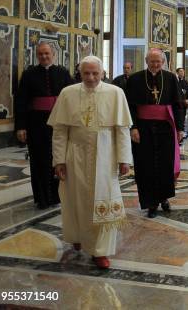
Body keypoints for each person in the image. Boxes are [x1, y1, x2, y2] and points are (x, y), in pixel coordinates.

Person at [48, 56, 132, 269]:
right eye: (87, 73)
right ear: (80, 73)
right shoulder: (68, 93)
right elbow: (59, 131)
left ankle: (100, 251)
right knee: (74, 198)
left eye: (95, 73)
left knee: (103, 200)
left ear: (102, 73)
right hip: (75, 154)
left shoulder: (116, 93)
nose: (91, 77)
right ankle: (77, 235)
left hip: (106, 155)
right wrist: (59, 160)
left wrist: (124, 159)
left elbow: (122, 130)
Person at [125, 48, 184, 218]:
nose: (155, 64)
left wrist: (179, 128)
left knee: (165, 164)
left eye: (158, 61)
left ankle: (164, 198)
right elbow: (130, 107)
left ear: (163, 62)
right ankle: (150, 202)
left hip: (166, 128)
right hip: (143, 129)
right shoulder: (135, 79)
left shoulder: (171, 78)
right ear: (146, 61)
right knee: (146, 165)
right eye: (152, 61)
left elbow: (178, 105)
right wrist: (133, 127)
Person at [14, 42, 73, 209]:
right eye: (40, 54)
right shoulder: (28, 74)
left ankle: (57, 196)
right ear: (37, 55)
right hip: (36, 124)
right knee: (38, 161)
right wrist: (21, 126)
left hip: (59, 123)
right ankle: (42, 198)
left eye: (47, 53)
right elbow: (21, 102)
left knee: (58, 158)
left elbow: (71, 98)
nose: (44, 57)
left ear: (53, 54)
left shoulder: (62, 73)